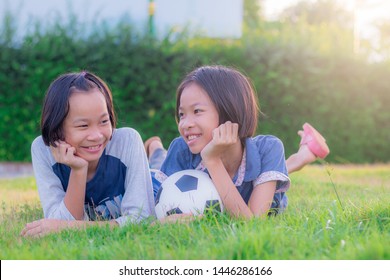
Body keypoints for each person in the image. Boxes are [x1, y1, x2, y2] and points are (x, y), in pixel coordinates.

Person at [144, 65, 330, 220]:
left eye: (197, 111)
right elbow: (152, 212)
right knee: (155, 168)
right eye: (181, 114)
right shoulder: (182, 149)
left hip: (253, 172)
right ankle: (155, 147)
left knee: (265, 172)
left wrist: (212, 160)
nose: (185, 124)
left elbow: (251, 222)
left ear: (230, 110)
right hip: (169, 164)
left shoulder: (268, 148)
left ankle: (302, 155)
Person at [21, 71, 155, 237]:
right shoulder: (43, 150)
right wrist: (78, 170)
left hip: (155, 181)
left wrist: (73, 227)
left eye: (104, 121)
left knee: (159, 167)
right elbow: (57, 222)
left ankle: (155, 149)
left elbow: (142, 220)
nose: (97, 135)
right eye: (83, 126)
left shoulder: (127, 140)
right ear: (56, 128)